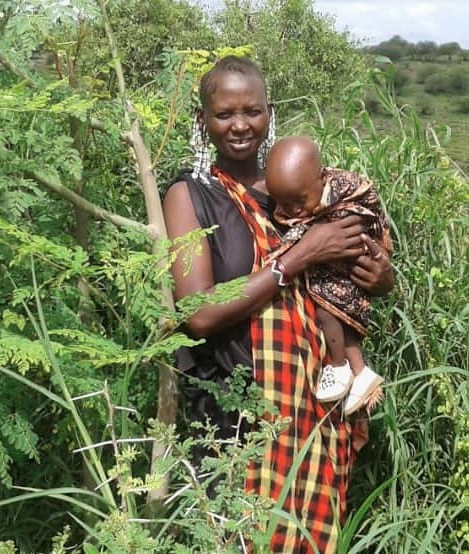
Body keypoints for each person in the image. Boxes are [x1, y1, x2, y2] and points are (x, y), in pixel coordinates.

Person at [162, 55, 393, 553]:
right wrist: (299, 256)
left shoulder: (300, 187)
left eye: (252, 111)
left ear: (270, 113)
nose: (240, 125)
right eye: (224, 114)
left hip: (320, 405)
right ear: (203, 121)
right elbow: (197, 313)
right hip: (238, 414)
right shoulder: (191, 196)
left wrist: (380, 277)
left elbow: (356, 270)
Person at [264, 136, 393, 416]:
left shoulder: (342, 197)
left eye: (300, 201)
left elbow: (360, 220)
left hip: (348, 266)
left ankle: (339, 366)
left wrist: (283, 256)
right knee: (333, 315)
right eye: (284, 203)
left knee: (327, 311)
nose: (294, 210)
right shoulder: (298, 186)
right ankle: (360, 373)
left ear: (322, 178)